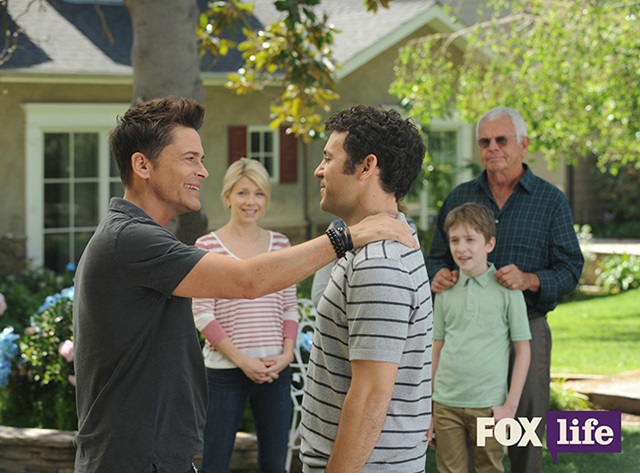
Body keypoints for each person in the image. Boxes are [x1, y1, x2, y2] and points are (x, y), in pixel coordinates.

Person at [71, 97, 419, 473]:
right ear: (142, 165)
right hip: (131, 460)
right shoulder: (129, 240)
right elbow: (246, 280)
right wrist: (346, 237)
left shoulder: (138, 236)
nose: (203, 171)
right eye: (190, 159)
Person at [427, 106, 584, 472]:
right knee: (473, 434)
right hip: (467, 334)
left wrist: (531, 279)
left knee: (522, 427)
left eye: (501, 140)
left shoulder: (549, 200)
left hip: (525, 327)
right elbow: (435, 257)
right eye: (485, 142)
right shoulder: (460, 197)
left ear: (523, 145)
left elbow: (571, 268)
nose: (492, 148)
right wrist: (439, 275)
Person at [299, 104, 432, 472]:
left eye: (329, 158)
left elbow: (372, 395)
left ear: (366, 166)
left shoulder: (379, 263)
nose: (319, 170)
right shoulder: (377, 244)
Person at [193, 158, 297, 473]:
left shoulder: (281, 245)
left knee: (274, 465)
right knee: (214, 464)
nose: (251, 201)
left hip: (274, 370)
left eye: (259, 193)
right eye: (242, 193)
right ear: (227, 197)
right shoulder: (206, 246)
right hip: (224, 372)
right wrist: (243, 361)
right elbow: (202, 314)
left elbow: (289, 307)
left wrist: (286, 356)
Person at [429, 202, 531, 473]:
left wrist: (509, 407)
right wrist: (430, 406)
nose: (461, 248)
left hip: (490, 406)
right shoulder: (445, 291)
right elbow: (436, 348)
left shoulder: (508, 291)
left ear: (489, 243)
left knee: (490, 468)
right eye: (454, 240)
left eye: (470, 239)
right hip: (446, 404)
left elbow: (523, 350)